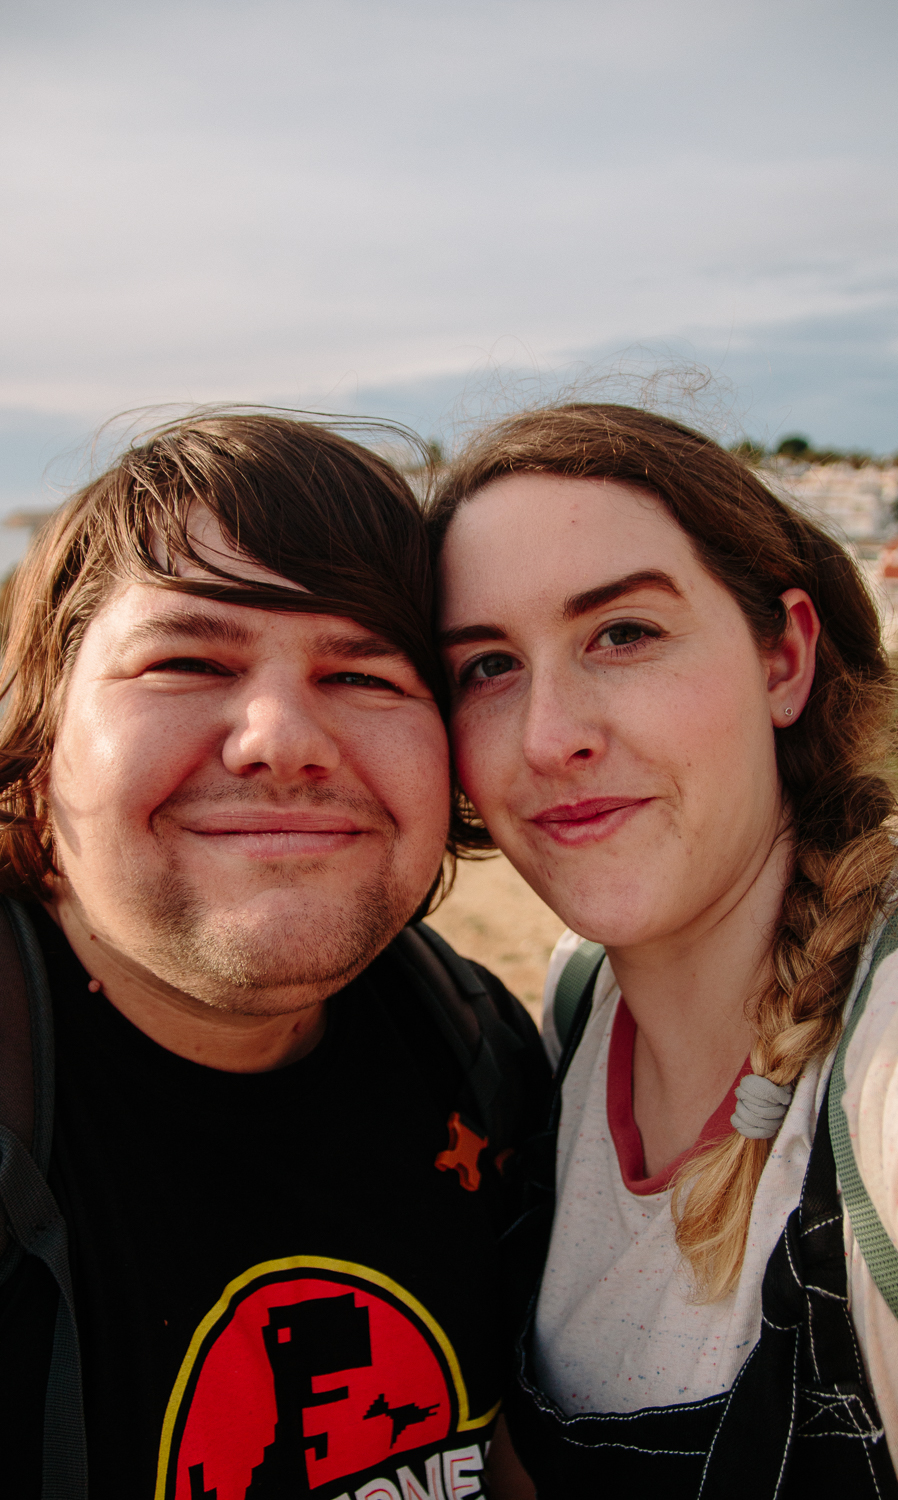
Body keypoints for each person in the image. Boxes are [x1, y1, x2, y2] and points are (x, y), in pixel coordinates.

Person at [428, 402, 898, 1497]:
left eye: (624, 633)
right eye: (488, 667)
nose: (552, 736)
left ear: (783, 656)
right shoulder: (574, 1006)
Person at [0, 411, 549, 1500]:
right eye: (187, 660)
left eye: (365, 677)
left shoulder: (479, 1050)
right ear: (40, 733)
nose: (283, 740)